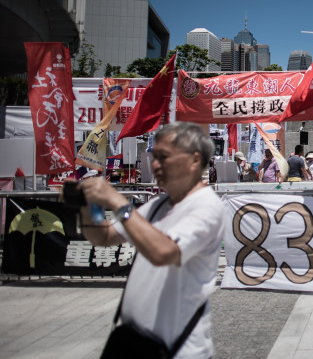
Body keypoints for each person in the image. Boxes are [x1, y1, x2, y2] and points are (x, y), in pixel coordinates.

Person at [75, 122, 227, 357]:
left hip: (177, 350)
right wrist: (86, 206)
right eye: (153, 156)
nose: (154, 165)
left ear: (195, 160)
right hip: (133, 342)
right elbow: (104, 236)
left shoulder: (207, 206)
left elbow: (164, 253)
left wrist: (118, 203)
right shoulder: (157, 204)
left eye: (163, 157)